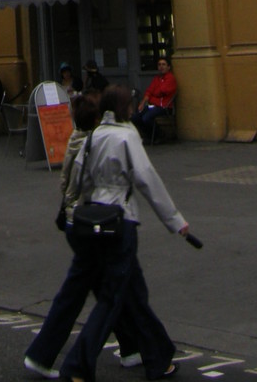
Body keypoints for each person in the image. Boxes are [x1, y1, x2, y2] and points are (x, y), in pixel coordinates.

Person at [56, 85, 190, 382]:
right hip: (121, 222)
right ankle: (76, 367)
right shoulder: (127, 135)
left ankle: (159, 357)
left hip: (94, 221)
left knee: (134, 294)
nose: (132, 108)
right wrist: (175, 220)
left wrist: (73, 210)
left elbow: (78, 178)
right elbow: (146, 179)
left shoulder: (94, 135)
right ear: (123, 108)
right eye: (129, 105)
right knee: (112, 299)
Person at [23, 94, 143, 379]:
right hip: (91, 223)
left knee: (108, 287)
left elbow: (67, 183)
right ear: (98, 119)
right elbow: (81, 183)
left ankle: (130, 349)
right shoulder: (94, 143)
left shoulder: (79, 138)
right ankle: (49, 356)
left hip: (80, 221)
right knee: (103, 289)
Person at [135, 55, 178, 145]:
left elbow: (161, 91)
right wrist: (143, 103)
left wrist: (151, 97)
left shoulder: (170, 79)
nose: (161, 67)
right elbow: (149, 92)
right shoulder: (156, 79)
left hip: (164, 106)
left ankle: (159, 135)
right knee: (136, 117)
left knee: (146, 118)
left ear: (168, 67)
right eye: (159, 65)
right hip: (154, 105)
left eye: (163, 64)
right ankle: (150, 135)